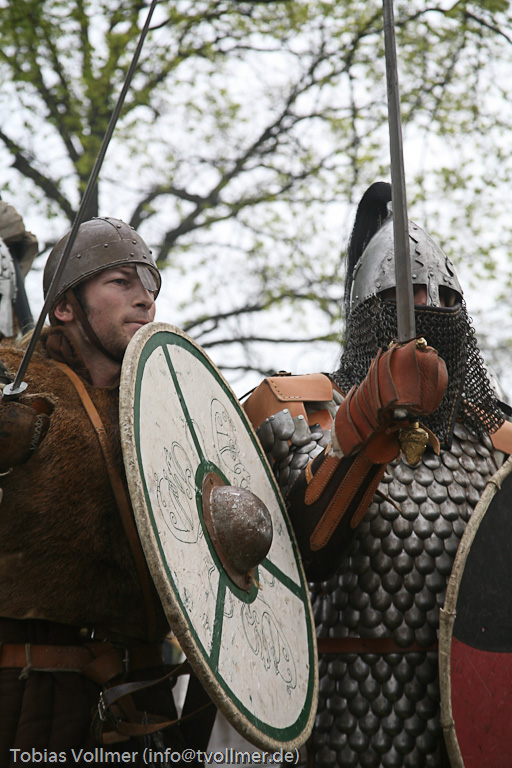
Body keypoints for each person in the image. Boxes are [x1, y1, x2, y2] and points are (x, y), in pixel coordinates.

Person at [243, 182, 512, 767]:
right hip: (347, 720)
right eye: (405, 294)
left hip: (478, 724)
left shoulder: (499, 441)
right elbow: (305, 549)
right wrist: (365, 420)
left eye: (445, 296)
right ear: (369, 310)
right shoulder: (298, 413)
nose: (428, 306)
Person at [0, 217, 210, 765]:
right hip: (28, 698)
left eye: (151, 286)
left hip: (145, 701)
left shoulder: (175, 411)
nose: (146, 299)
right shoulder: (12, 384)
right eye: (121, 282)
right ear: (64, 307)